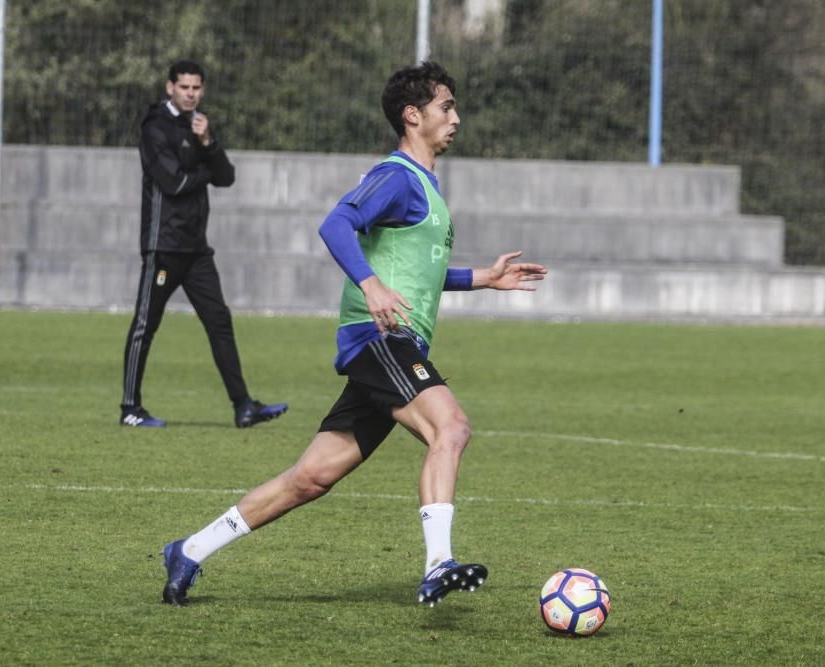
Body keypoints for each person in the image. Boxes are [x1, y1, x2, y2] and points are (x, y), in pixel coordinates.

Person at [160, 61, 547, 606]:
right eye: (446, 107)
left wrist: (483, 278)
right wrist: (368, 285)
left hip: (391, 344)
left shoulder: (426, 188)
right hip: (380, 339)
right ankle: (439, 563)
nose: (456, 117)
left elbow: (418, 272)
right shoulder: (396, 177)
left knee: (311, 478)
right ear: (413, 116)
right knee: (452, 429)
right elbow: (335, 223)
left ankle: (190, 550)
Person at [121, 60, 287, 429]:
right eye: (184, 87)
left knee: (219, 323)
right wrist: (204, 172)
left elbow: (225, 177)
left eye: (196, 88)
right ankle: (130, 408)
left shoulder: (201, 125)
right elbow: (173, 183)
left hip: (196, 249)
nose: (191, 94)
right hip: (162, 246)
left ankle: (243, 406)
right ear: (170, 88)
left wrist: (208, 144)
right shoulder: (155, 127)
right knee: (145, 325)